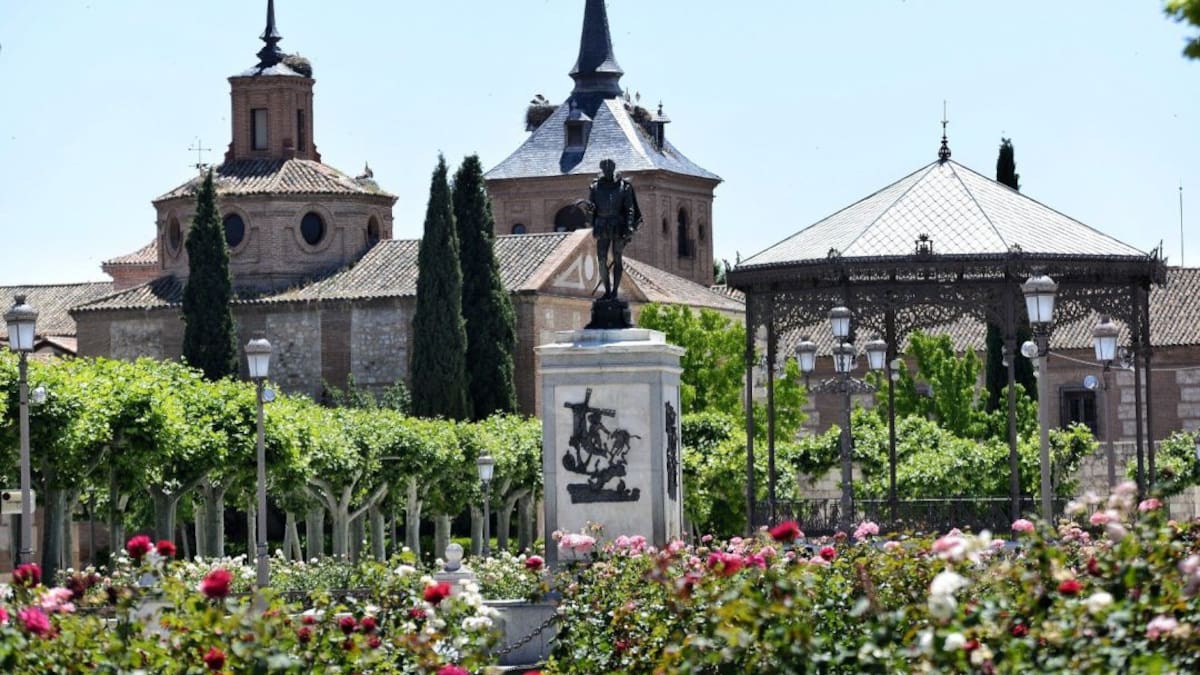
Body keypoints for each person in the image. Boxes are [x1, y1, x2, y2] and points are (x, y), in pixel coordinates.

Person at [582, 159, 642, 301]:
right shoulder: (595, 187)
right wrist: (589, 210)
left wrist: (629, 227)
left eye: (610, 170)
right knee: (601, 259)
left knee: (617, 257)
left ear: (613, 169)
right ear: (602, 170)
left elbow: (630, 209)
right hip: (602, 224)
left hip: (618, 225)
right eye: (605, 170)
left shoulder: (624, 186)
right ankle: (607, 291)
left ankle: (614, 292)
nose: (608, 172)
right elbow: (591, 213)